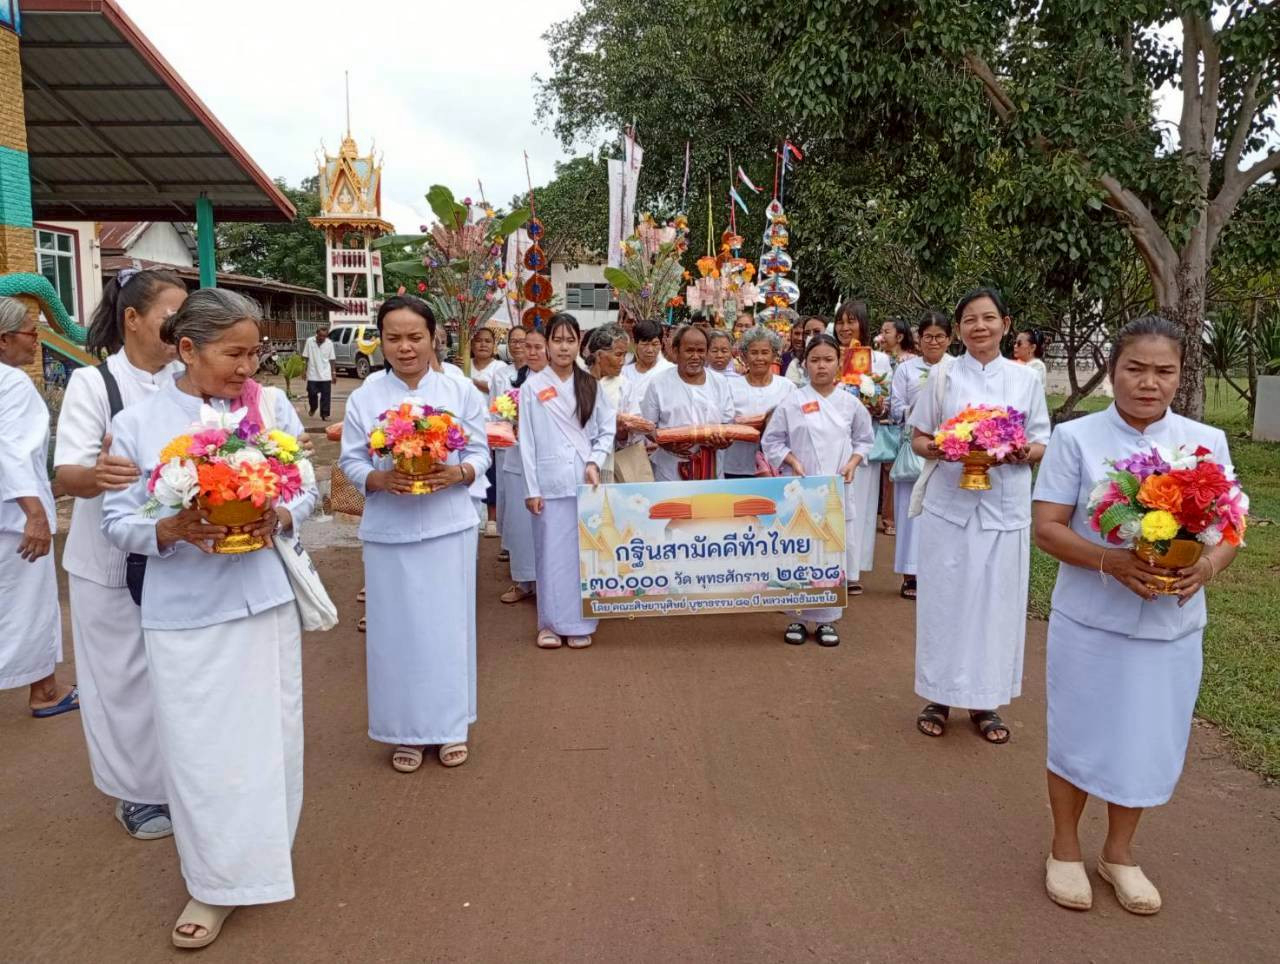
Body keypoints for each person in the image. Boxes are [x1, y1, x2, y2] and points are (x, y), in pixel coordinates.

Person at [101, 288, 316, 948]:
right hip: (185, 615)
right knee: (200, 753)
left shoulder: (270, 410)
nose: (249, 367)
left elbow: (303, 485)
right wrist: (170, 528)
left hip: (261, 601)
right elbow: (118, 523)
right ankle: (213, 882)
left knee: (269, 742)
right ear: (188, 348)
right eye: (235, 353)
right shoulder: (138, 425)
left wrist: (278, 512)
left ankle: (262, 858)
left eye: (256, 353)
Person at [1031, 316, 1239, 916]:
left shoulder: (1207, 442)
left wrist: (1210, 567)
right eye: (1135, 368)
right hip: (1092, 619)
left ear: (1179, 376)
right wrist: (1112, 561)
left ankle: (1119, 853)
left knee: (1149, 738)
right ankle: (1064, 846)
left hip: (1172, 624)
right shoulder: (1077, 439)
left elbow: (1230, 526)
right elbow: (1046, 528)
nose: (1149, 382)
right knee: (1079, 731)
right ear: (1113, 372)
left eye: (1163, 371)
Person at [54, 267, 187, 839]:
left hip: (173, 552)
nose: (179, 330)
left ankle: (181, 782)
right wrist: (99, 473)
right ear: (132, 320)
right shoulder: (95, 384)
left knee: (176, 674)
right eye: (169, 319)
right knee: (121, 679)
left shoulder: (185, 379)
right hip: (107, 560)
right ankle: (135, 792)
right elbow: (68, 473)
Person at [340, 295, 489, 775]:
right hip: (390, 528)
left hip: (449, 525)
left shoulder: (459, 391)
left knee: (448, 628)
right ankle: (402, 731)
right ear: (381, 340)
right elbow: (351, 460)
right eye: (393, 338)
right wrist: (376, 479)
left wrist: (460, 473)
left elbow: (483, 450)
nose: (404, 348)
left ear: (433, 339)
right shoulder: (365, 397)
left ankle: (448, 727)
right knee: (395, 631)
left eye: (415, 337)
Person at [908, 287, 1050, 745]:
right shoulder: (943, 379)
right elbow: (918, 439)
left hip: (1004, 509)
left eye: (988, 318)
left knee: (996, 604)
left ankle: (985, 700)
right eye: (970, 319)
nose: (980, 327)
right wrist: (949, 448)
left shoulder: (1025, 380)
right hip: (949, 507)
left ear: (1006, 325)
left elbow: (1041, 441)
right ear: (958, 330)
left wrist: (1016, 452)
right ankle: (938, 696)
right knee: (945, 601)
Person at [761, 333, 874, 646]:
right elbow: (772, 441)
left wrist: (853, 462)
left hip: (837, 489)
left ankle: (827, 619)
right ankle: (796, 617)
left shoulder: (851, 404)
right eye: (815, 360)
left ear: (839, 363)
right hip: (801, 489)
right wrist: (792, 460)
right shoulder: (791, 402)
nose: (821, 366)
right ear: (805, 364)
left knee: (831, 553)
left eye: (828, 359)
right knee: (799, 551)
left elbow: (865, 439)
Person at [519, 313, 616, 649]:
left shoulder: (590, 384)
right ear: (546, 344)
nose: (563, 347)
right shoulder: (532, 386)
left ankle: (579, 622)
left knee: (582, 555)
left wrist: (595, 460)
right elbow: (527, 442)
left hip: (583, 481)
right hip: (547, 483)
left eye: (570, 340)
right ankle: (548, 623)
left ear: (579, 343)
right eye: (557, 340)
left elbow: (607, 429)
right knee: (549, 555)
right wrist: (531, 489)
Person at [0, 297, 76, 718]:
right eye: (31, 333)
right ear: (3, 340)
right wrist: (35, 514)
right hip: (14, 520)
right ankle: (45, 690)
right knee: (27, 604)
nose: (35, 342)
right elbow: (11, 451)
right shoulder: (11, 384)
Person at [887, 312, 950, 600]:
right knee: (910, 512)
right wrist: (918, 412)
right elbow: (895, 407)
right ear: (919, 340)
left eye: (939, 336)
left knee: (943, 514)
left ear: (950, 339)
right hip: (914, 446)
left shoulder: (958, 369)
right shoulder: (906, 369)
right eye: (928, 337)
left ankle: (939, 573)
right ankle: (910, 573)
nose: (933, 342)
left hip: (949, 449)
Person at [833, 300, 893, 593]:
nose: (845, 328)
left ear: (863, 324)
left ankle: (852, 570)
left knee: (860, 508)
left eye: (851, 321)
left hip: (861, 444)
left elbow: (887, 406)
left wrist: (877, 404)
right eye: (841, 322)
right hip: (830, 442)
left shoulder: (878, 360)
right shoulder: (828, 355)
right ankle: (829, 568)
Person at [641, 325, 736, 481]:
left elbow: (728, 423)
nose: (695, 356)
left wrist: (724, 441)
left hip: (711, 468)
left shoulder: (720, 382)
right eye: (689, 350)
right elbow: (647, 426)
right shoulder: (659, 383)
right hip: (670, 471)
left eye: (700, 351)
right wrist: (665, 442)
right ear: (676, 351)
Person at [499, 328, 546, 604]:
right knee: (520, 525)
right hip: (517, 458)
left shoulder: (561, 380)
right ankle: (523, 580)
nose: (532, 352)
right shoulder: (516, 380)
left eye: (538, 347)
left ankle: (548, 583)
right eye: (527, 347)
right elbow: (498, 415)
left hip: (547, 462)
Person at [725, 326, 794, 478]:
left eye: (765, 352)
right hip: (735, 466)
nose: (759, 358)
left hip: (775, 469)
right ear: (744, 356)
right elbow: (723, 422)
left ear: (774, 355)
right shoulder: (730, 386)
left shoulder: (787, 386)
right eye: (754, 352)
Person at [877, 317, 918, 537]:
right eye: (881, 332)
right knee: (884, 470)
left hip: (902, 423)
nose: (881, 336)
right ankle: (887, 516)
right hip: (883, 419)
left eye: (886, 332)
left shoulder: (912, 363)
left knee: (898, 469)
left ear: (900, 337)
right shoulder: (878, 359)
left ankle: (896, 518)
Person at [491, 326, 528, 557]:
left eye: (522, 341)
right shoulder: (501, 374)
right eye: (513, 341)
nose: (517, 346)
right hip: (506, 440)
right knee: (505, 493)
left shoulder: (538, 374)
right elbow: (494, 408)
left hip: (530, 443)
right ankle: (507, 542)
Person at [468, 327, 505, 537]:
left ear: (494, 346)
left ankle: (492, 518)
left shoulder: (499, 367)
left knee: (492, 472)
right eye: (479, 341)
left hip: (490, 426)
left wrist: (470, 381)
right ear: (471, 345)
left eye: (488, 341)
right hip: (468, 427)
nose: (483, 344)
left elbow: (494, 389)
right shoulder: (463, 365)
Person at [302, 325, 337, 421]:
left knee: (326, 395)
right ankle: (313, 407)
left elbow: (332, 359)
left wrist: (333, 373)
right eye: (320, 336)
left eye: (324, 336)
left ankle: (325, 414)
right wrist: (304, 370)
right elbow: (305, 357)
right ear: (316, 334)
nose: (322, 338)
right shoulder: (310, 341)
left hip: (325, 375)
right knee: (311, 393)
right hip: (312, 374)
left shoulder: (329, 343)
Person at [784, 316, 828, 387]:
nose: (811, 336)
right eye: (807, 333)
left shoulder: (840, 357)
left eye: (817, 332)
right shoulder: (795, 363)